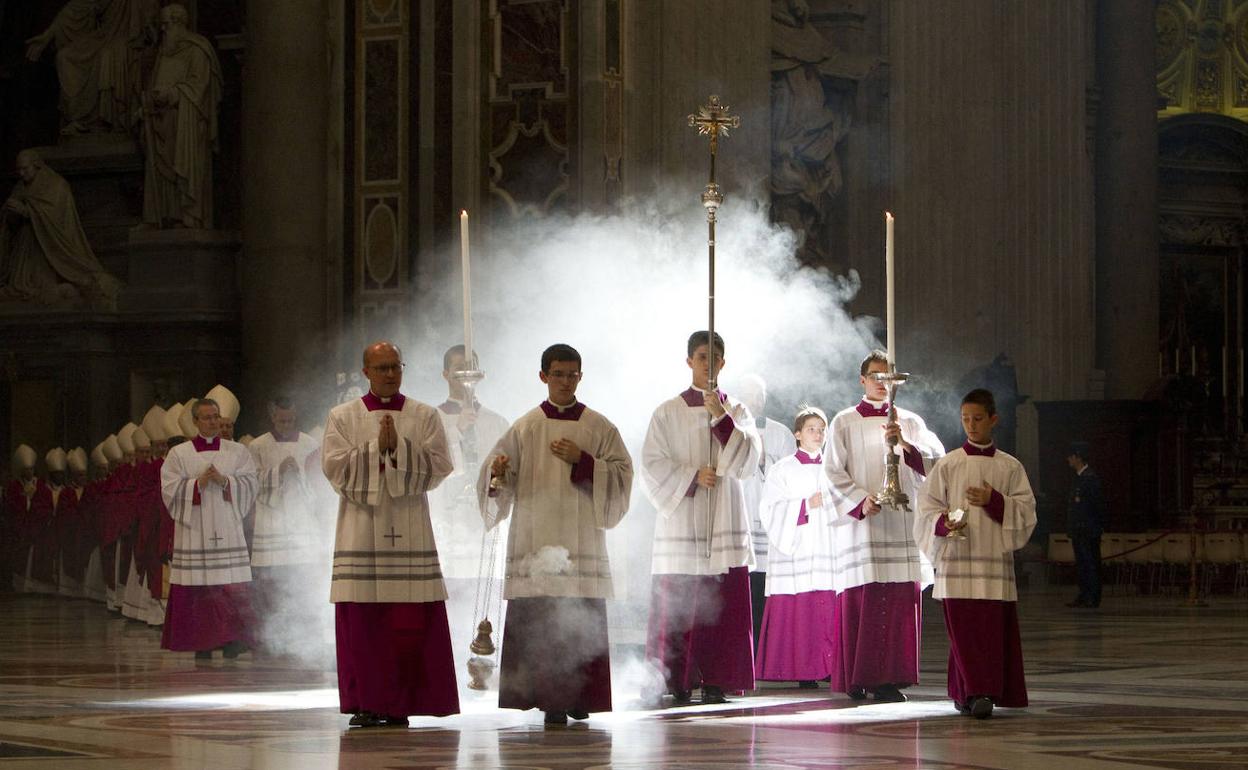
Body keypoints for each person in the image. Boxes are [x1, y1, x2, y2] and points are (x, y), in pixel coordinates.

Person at [479, 343, 633, 725]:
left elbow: (623, 475)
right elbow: (498, 479)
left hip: (581, 537)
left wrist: (583, 461)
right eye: (558, 374)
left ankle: (581, 696)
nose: (565, 381)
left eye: (572, 374)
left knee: (580, 616)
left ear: (580, 377)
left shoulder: (598, 426)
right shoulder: (525, 427)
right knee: (542, 619)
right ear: (543, 376)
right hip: (536, 539)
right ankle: (547, 698)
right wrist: (497, 475)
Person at [322, 341, 457, 728]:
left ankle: (403, 703)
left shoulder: (424, 415)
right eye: (381, 368)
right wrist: (373, 449)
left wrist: (398, 448)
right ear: (365, 372)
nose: (390, 374)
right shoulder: (343, 416)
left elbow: (440, 466)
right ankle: (368, 702)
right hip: (361, 530)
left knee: (408, 624)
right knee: (365, 626)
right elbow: (333, 470)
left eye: (396, 366)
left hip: (409, 525)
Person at [641, 331, 761, 705]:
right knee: (680, 603)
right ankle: (676, 680)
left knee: (722, 606)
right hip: (683, 519)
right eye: (701, 356)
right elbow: (651, 465)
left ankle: (716, 680)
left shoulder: (738, 410)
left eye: (715, 357)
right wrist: (692, 477)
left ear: (724, 363)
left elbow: (749, 460)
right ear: (689, 361)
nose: (708, 363)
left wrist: (722, 420)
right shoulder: (667, 411)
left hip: (724, 513)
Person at [822, 349, 944, 702]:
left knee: (898, 603)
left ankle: (890, 678)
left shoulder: (910, 421)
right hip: (865, 526)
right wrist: (861, 500)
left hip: (901, 526)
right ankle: (858, 677)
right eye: (875, 375)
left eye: (887, 376)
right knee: (865, 600)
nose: (881, 382)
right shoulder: (844, 421)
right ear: (862, 380)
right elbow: (830, 473)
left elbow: (938, 463)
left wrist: (905, 443)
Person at [915, 388, 1036, 719]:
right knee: (964, 634)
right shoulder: (950, 464)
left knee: (990, 634)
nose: (971, 425)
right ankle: (974, 693)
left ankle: (971, 693)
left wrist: (994, 501)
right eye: (965, 419)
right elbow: (925, 509)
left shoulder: (1009, 467)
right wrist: (944, 523)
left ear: (993, 420)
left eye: (978, 419)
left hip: (994, 564)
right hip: (958, 563)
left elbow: (1026, 511)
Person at [160, 398, 259, 659]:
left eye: (216, 416)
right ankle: (201, 643)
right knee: (199, 588)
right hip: (195, 530)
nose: (213, 421)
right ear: (195, 421)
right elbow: (169, 490)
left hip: (227, 527)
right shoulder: (179, 454)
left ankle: (231, 641)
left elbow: (251, 483)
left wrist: (226, 481)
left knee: (229, 586)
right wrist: (197, 484)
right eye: (207, 417)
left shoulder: (237, 451)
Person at [430, 345, 511, 659]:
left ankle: (483, 662)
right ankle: (446, 659)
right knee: (449, 595)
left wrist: (499, 480)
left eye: (471, 366)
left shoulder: (497, 421)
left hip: (481, 525)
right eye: (458, 367)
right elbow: (432, 469)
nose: (464, 372)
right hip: (444, 522)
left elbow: (507, 475)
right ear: (445, 374)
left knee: (484, 593)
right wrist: (458, 431)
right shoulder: (432, 419)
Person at [755, 406, 836, 687]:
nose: (817, 434)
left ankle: (829, 667)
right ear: (797, 434)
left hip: (828, 547)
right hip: (798, 547)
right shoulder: (783, 469)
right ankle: (803, 669)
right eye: (811, 429)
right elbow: (769, 509)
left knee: (828, 608)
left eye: (822, 429)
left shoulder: (835, 468)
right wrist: (804, 506)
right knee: (802, 612)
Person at [137, 3, 223, 229]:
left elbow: (199, 87)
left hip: (186, 123)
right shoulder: (163, 53)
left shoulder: (198, 50)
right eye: (162, 26)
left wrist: (172, 94)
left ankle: (187, 215)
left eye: (166, 25)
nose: (163, 31)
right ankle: (160, 216)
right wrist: (150, 100)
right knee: (158, 169)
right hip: (160, 122)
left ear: (179, 23)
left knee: (183, 168)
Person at [0, 149, 120, 307]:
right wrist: (11, 213)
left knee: (44, 285)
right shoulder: (20, 187)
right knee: (19, 289)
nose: (21, 173)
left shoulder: (56, 185)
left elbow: (56, 217)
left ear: (36, 165)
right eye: (19, 170)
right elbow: (11, 223)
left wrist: (28, 212)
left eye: (25, 168)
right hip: (25, 246)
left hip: (47, 245)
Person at [248, 396, 323, 635]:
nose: (287, 424)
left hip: (300, 516)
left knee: (301, 575)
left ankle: (303, 630)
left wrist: (299, 473)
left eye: (290, 419)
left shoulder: (310, 444)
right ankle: (269, 633)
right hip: (271, 519)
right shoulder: (258, 446)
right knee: (270, 578)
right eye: (282, 420)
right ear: (272, 416)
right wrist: (277, 472)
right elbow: (249, 483)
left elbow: (319, 481)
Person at [736, 373, 797, 652]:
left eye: (760, 395)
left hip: (772, 521)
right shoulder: (732, 429)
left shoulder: (781, 433)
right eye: (749, 394)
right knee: (744, 586)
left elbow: (792, 475)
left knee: (768, 587)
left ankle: (768, 651)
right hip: (743, 513)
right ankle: (745, 648)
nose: (756, 401)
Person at [1065, 441, 1104, 609]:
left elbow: (1096, 505)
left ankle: (1092, 596)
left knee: (1090, 563)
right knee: (1082, 564)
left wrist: (1094, 527)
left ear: (1077, 457)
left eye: (1070, 457)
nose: (1068, 460)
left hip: (1088, 530)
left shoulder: (1090, 479)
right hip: (1079, 530)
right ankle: (1084, 594)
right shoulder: (1079, 479)